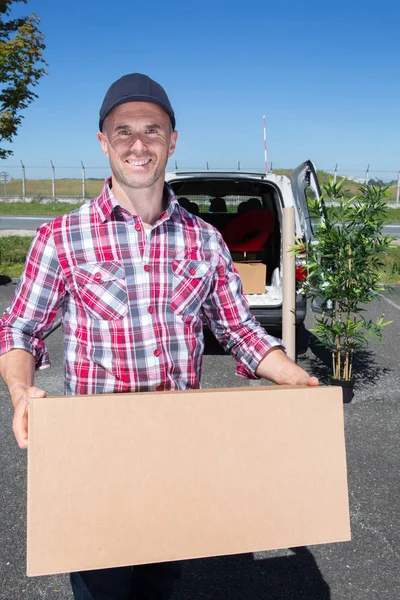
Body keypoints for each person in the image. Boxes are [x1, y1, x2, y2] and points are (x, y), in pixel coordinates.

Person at [0, 73, 318, 600]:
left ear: (173, 140)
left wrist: (295, 379)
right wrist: (19, 392)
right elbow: (21, 327)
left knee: (159, 582)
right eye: (123, 131)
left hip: (177, 451)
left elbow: (239, 329)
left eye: (152, 130)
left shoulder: (205, 241)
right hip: (95, 456)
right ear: (103, 143)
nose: (138, 144)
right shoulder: (61, 237)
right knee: (100, 585)